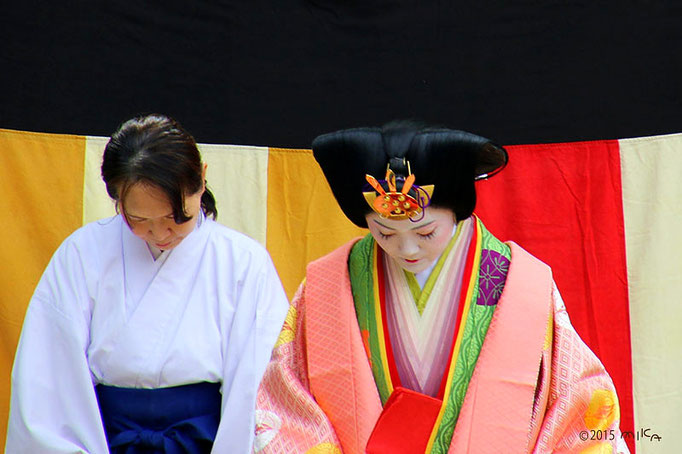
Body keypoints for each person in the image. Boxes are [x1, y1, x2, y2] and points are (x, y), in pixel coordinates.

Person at [253, 121, 629, 453]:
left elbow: (576, 401)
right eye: (384, 232)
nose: (407, 248)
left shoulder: (519, 284)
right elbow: (286, 403)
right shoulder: (328, 286)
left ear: (457, 212)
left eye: (426, 231)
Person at [6, 114, 289, 453]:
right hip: (102, 441)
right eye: (138, 220)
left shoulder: (244, 263)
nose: (159, 234)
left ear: (201, 179)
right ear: (117, 199)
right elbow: (47, 380)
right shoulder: (81, 254)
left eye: (176, 217)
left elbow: (259, 389)